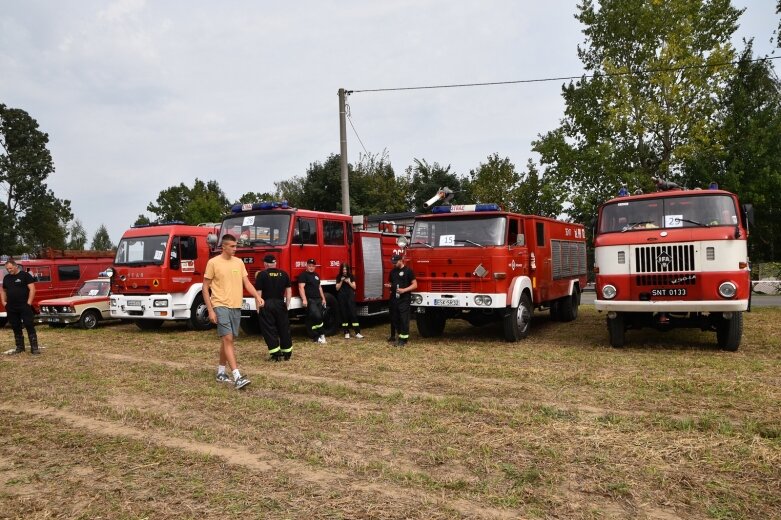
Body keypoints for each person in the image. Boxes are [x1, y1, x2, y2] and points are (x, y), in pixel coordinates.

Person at [202, 234, 263, 390]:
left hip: (236, 306)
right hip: (219, 304)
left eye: (236, 246)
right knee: (228, 339)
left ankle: (221, 372)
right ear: (224, 247)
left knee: (227, 340)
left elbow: (247, 282)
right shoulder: (213, 263)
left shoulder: (239, 262)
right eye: (233, 246)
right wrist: (210, 310)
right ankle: (237, 376)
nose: (236, 249)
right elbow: (205, 287)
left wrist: (257, 296)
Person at [254, 254, 293, 361]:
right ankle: (287, 353)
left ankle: (276, 354)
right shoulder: (284, 274)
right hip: (280, 304)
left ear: (265, 264)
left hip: (267, 304)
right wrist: (287, 304)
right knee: (284, 328)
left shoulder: (261, 275)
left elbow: (258, 293)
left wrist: (258, 308)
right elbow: (289, 291)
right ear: (275, 263)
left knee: (269, 329)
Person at [1, 259, 40, 355]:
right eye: (7, 269)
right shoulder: (6, 278)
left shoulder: (25, 275)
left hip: (24, 306)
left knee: (29, 324)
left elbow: (32, 289)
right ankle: (20, 347)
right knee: (15, 326)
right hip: (11, 307)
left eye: (10, 268)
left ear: (15, 266)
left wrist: (29, 303)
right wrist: (3, 302)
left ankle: (34, 348)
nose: (9, 270)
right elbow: (3, 291)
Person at [388, 254, 417, 347]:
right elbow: (391, 283)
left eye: (395, 262)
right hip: (394, 298)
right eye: (393, 263)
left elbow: (415, 285)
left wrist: (404, 290)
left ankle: (403, 340)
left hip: (404, 298)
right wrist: (389, 286)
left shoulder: (408, 271)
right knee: (395, 318)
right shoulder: (392, 272)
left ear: (401, 260)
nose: (394, 264)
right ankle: (400, 335)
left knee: (403, 319)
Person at [298, 258, 327, 344]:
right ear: (306, 266)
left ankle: (318, 336)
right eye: (309, 266)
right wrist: (304, 299)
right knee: (317, 316)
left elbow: (319, 287)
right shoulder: (303, 275)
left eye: (313, 266)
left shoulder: (316, 275)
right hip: (310, 300)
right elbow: (301, 287)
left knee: (319, 317)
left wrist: (323, 298)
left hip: (318, 299)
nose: (311, 267)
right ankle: (320, 335)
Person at [335, 262, 363, 339]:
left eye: (345, 269)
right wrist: (341, 281)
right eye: (343, 269)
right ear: (341, 270)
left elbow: (354, 287)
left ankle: (357, 332)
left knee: (353, 314)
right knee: (344, 314)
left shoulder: (351, 276)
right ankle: (346, 332)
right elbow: (337, 288)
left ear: (347, 269)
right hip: (342, 297)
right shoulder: (338, 276)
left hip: (350, 297)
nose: (344, 271)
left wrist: (349, 282)